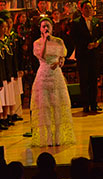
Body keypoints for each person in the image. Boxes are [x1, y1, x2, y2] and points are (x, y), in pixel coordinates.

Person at [30, 17, 76, 147]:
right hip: (43, 75)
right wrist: (45, 40)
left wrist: (60, 61)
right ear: (40, 29)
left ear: (52, 27)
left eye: (48, 26)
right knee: (44, 107)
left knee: (57, 105)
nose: (46, 28)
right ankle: (48, 136)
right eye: (43, 26)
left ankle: (58, 135)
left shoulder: (59, 41)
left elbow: (62, 56)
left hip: (56, 75)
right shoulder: (37, 43)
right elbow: (42, 56)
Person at [71, 0, 103, 113]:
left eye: (90, 8)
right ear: (81, 9)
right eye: (86, 8)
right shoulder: (76, 22)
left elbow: (101, 36)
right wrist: (86, 45)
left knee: (93, 79)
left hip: (94, 54)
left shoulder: (96, 21)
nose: (88, 10)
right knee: (84, 80)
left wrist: (98, 42)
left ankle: (94, 104)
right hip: (83, 55)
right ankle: (85, 104)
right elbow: (74, 38)